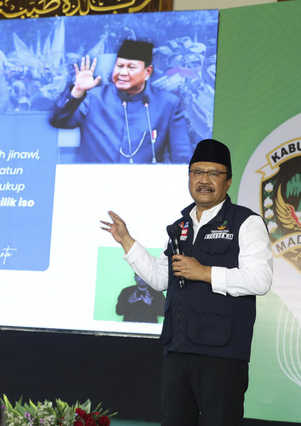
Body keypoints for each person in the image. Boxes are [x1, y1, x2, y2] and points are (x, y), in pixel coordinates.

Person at [101, 139, 273, 425]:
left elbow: (261, 280)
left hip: (222, 355)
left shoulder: (246, 222)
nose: (204, 180)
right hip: (178, 350)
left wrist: (204, 272)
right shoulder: (180, 225)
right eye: (197, 172)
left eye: (214, 173)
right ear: (189, 177)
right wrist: (126, 240)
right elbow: (159, 278)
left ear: (228, 182)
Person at [49, 39, 191, 164]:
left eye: (131, 67)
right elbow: (59, 121)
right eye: (119, 66)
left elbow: (182, 157)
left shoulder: (167, 103)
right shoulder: (93, 98)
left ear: (147, 72)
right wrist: (77, 92)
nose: (122, 72)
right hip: (93, 188)